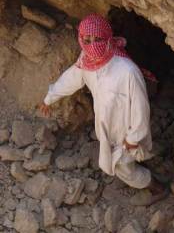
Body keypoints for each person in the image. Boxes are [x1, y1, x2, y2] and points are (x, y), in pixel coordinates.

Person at [40, 13, 166, 205]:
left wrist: (133, 138)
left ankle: (157, 188)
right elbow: (70, 79)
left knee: (123, 167)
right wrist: (49, 98)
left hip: (126, 129)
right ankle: (142, 164)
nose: (92, 45)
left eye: (98, 39)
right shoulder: (87, 61)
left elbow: (141, 107)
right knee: (123, 158)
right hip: (106, 126)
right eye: (87, 40)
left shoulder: (127, 71)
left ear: (107, 38)